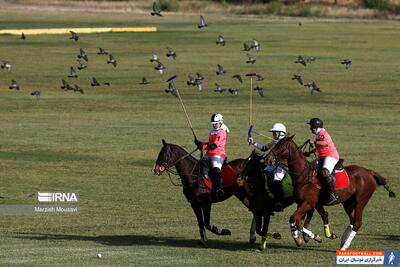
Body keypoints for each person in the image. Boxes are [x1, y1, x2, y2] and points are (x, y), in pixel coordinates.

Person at [248, 123, 287, 211]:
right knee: (262, 174)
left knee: (277, 180)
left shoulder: (286, 143)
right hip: (273, 164)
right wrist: (253, 143)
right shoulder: (275, 142)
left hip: (282, 165)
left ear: (281, 133)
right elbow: (265, 148)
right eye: (273, 133)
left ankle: (279, 202)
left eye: (274, 133)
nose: (273, 135)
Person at [194, 113, 229, 200]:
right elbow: (209, 144)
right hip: (209, 154)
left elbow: (214, 145)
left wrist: (205, 146)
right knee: (200, 164)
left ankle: (219, 189)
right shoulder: (212, 131)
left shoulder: (222, 132)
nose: (214, 125)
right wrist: (200, 144)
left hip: (218, 155)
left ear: (220, 122)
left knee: (215, 170)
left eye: (215, 123)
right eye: (213, 123)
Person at [306, 118, 339, 204]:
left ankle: (333, 194)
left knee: (325, 172)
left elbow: (325, 143)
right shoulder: (318, 134)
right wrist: (308, 152)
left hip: (330, 156)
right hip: (323, 157)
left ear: (316, 127)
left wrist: (314, 142)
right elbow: (319, 147)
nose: (310, 129)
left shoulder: (322, 133)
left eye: (311, 127)